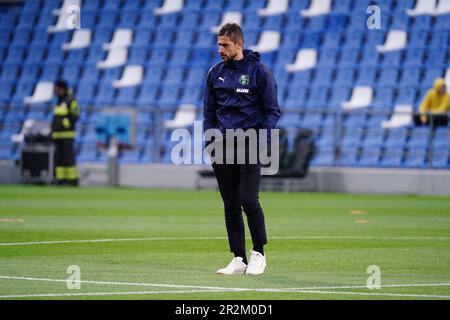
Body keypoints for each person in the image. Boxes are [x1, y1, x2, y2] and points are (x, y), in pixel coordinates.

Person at [203, 23, 281, 275]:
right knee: (230, 204)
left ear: (239, 45)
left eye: (225, 45)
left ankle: (259, 253)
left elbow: (272, 111)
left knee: (249, 199)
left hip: (250, 143)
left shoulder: (260, 73)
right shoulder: (214, 74)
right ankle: (238, 258)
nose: (220, 49)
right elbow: (209, 113)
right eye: (218, 44)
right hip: (222, 146)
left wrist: (261, 139)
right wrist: (209, 140)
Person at [51, 79, 80, 186]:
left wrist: (66, 123)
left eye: (57, 88)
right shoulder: (59, 100)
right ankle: (60, 179)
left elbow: (76, 115)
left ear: (61, 88)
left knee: (68, 157)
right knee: (59, 158)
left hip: (67, 134)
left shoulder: (71, 100)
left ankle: (73, 180)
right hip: (57, 134)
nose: (55, 90)